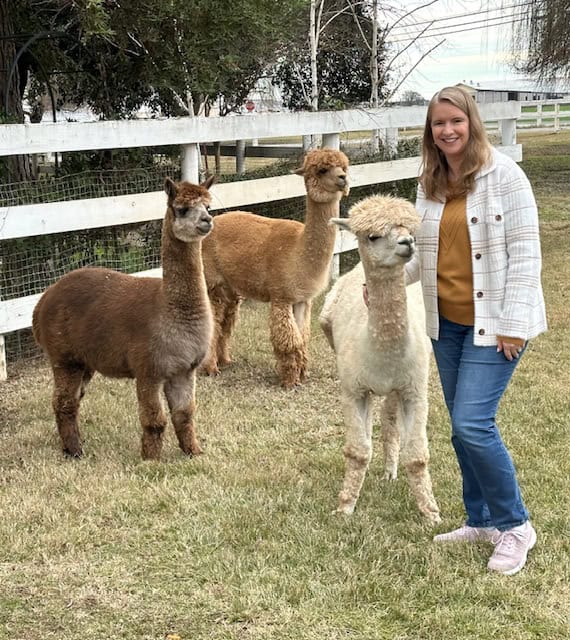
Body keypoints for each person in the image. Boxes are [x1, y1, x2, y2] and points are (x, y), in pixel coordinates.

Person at [405, 85, 547, 575]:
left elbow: (527, 255)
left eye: (455, 121)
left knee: (472, 424)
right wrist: (382, 281)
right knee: (461, 432)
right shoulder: (429, 182)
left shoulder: (505, 176)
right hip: (445, 325)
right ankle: (480, 519)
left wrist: (513, 325)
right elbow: (420, 254)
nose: (447, 130)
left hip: (496, 325)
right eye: (438, 123)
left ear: (472, 123)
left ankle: (516, 525)